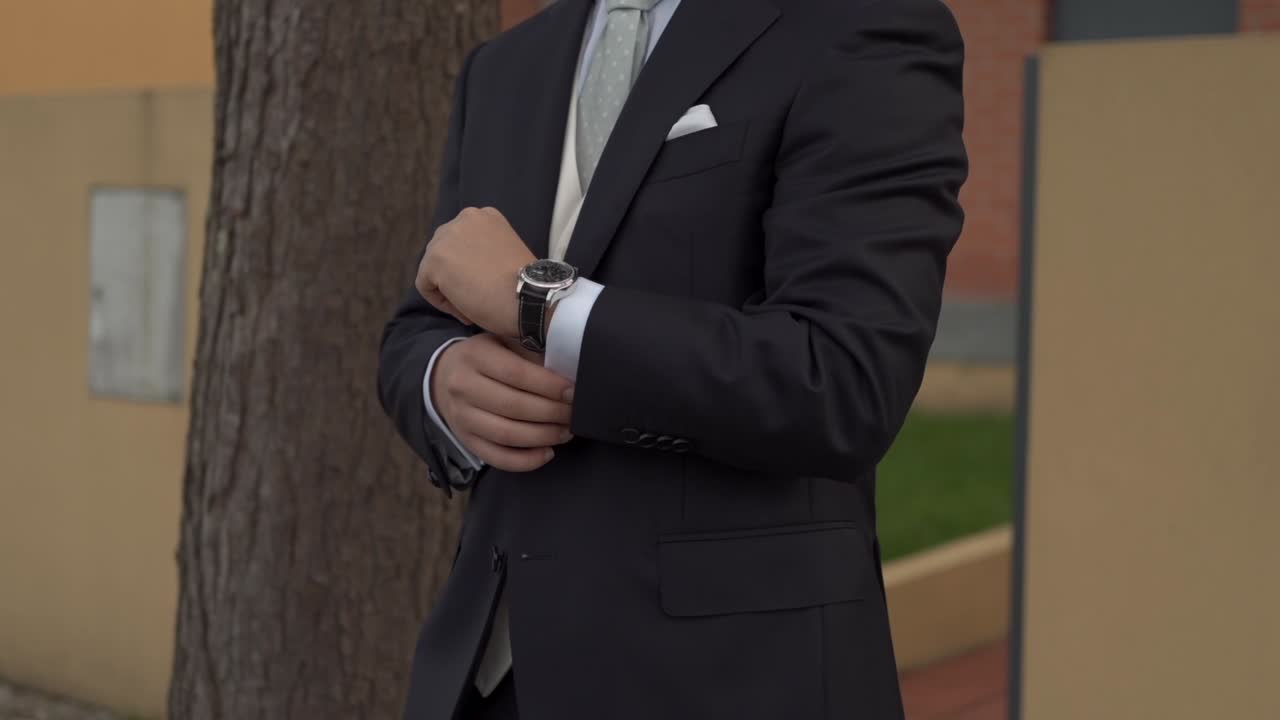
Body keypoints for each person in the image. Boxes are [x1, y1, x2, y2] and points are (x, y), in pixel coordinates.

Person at [378, 0, 967, 717]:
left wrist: (541, 304)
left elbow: (841, 379)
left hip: (729, 681)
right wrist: (443, 386)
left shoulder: (862, 25)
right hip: (491, 678)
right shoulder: (504, 66)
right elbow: (426, 321)